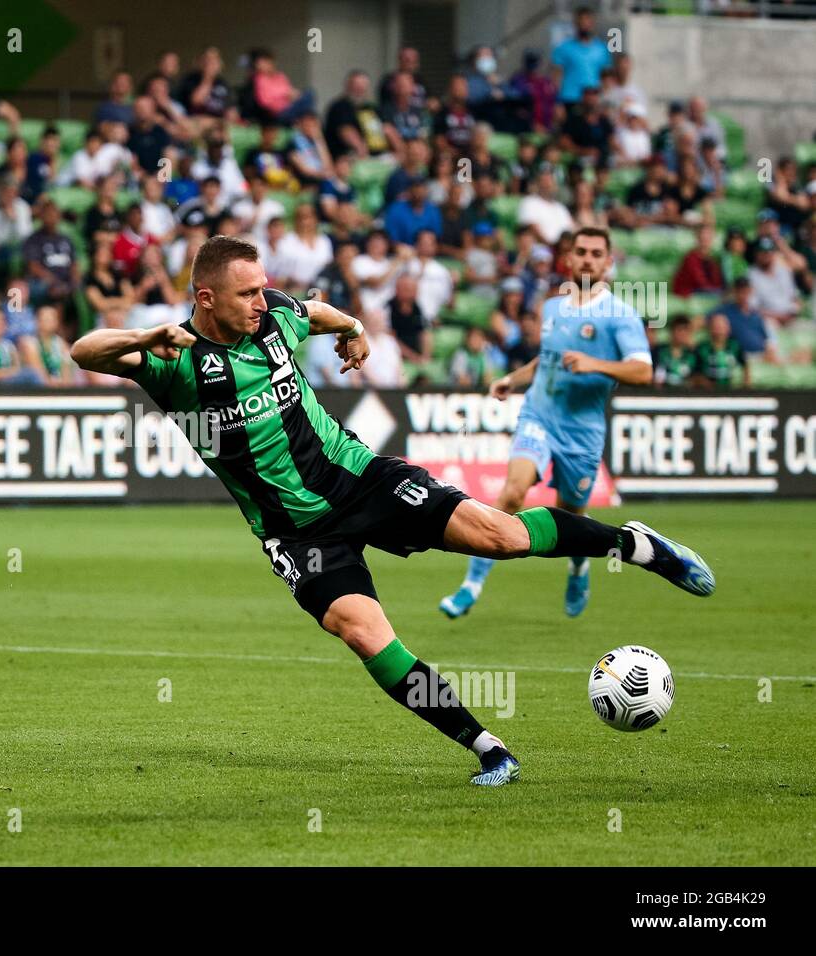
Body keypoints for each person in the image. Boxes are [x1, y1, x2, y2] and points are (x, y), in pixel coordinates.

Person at [71, 234, 715, 789]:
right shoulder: (171, 357)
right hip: (294, 534)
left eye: (264, 290)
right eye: (247, 294)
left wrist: (351, 330)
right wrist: (141, 333)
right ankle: (490, 750)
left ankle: (636, 546)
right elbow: (84, 351)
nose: (262, 303)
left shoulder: (275, 321)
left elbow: (314, 312)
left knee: (500, 535)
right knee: (363, 633)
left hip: (360, 479)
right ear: (205, 297)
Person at [439, 227, 704, 624]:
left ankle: (578, 568)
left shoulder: (621, 315)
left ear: (608, 262)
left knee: (572, 518)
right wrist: (513, 379)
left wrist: (595, 363)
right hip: (539, 415)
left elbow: (643, 370)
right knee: (512, 493)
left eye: (596, 253)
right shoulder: (554, 307)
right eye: (580, 251)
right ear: (569, 258)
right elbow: (546, 359)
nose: (587, 259)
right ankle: (471, 585)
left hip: (582, 431)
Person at [694, 312, 748, 390]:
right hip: (706, 392)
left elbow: (745, 366)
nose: (719, 330)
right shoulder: (702, 348)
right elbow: (696, 374)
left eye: (722, 326)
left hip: (730, 390)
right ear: (710, 328)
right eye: (716, 326)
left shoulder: (735, 346)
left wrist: (745, 386)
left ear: (728, 328)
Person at [653, 316, 699, 388]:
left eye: (686, 330)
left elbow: (697, 378)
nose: (682, 334)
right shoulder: (659, 351)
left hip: (686, 395)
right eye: (679, 330)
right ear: (671, 331)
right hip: (662, 393)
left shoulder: (693, 354)